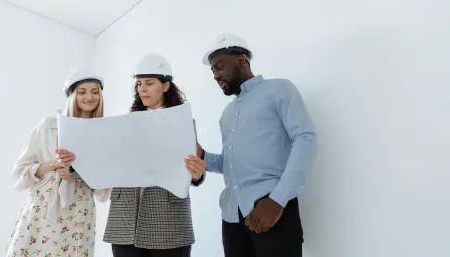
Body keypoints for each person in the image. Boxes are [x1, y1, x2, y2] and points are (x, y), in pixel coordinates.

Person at [197, 33, 318, 257]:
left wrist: (277, 200)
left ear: (241, 60)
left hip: (271, 208)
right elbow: (229, 164)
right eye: (213, 71)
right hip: (232, 216)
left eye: (220, 66)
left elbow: (306, 138)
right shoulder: (227, 113)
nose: (216, 75)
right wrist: (202, 155)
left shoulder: (278, 89)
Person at [103, 53, 206, 257]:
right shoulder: (124, 123)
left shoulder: (183, 122)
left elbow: (192, 171)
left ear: (165, 85)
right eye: (139, 83)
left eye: (149, 83)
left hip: (168, 219)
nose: (142, 88)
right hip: (124, 219)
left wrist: (197, 174)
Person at [5, 69, 112, 257]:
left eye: (95, 92)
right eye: (82, 91)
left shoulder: (104, 135)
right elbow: (19, 172)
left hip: (80, 206)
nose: (89, 97)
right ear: (72, 95)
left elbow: (104, 190)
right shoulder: (48, 126)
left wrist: (76, 175)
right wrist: (53, 166)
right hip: (44, 204)